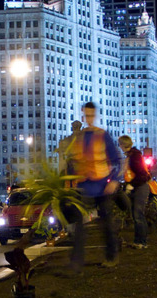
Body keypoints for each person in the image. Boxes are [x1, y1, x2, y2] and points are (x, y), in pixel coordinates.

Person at [65, 101, 123, 271]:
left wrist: (114, 180)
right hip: (84, 186)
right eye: (86, 115)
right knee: (78, 225)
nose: (88, 118)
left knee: (107, 223)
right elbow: (72, 162)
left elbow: (117, 160)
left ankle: (112, 257)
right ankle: (76, 261)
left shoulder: (102, 135)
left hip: (102, 186)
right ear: (83, 116)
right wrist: (69, 184)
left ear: (94, 116)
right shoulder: (79, 137)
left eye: (91, 115)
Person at [119, 135, 151, 249]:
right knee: (137, 215)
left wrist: (131, 185)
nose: (120, 147)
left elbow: (142, 175)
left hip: (139, 187)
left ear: (123, 145)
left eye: (120, 144)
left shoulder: (134, 157)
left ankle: (141, 242)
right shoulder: (132, 155)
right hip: (138, 186)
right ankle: (139, 241)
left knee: (138, 215)